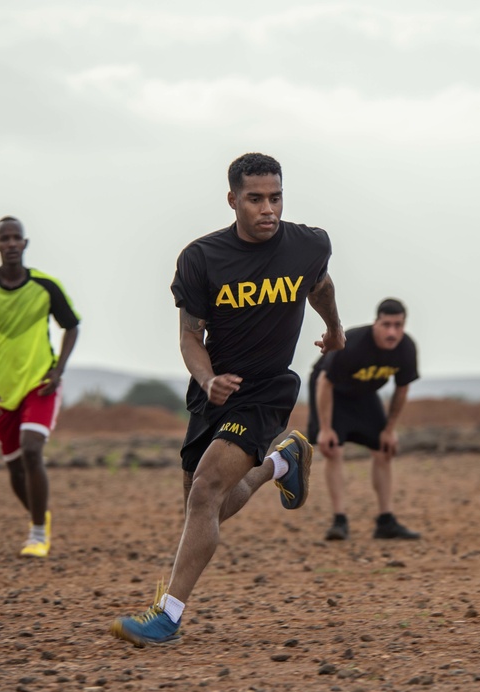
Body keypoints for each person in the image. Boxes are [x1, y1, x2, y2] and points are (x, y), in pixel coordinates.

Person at [110, 152, 345, 647]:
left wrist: (334, 328)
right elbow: (190, 336)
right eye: (255, 199)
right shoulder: (201, 258)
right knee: (205, 504)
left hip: (267, 390)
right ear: (233, 199)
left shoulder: (308, 244)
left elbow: (318, 284)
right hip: (215, 390)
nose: (268, 209)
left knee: (205, 492)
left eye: (275, 198)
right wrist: (207, 376)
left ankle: (167, 616)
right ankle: (281, 465)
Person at [0, 216, 80, 558]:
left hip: (40, 385)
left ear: (24, 244)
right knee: (14, 467)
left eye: (16, 238)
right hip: (1, 392)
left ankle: (38, 533)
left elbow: (72, 326)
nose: (10, 243)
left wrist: (58, 370)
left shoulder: (46, 286)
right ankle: (41, 514)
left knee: (32, 449)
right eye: (4, 239)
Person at [309, 298, 421, 541]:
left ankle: (386, 521)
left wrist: (390, 430)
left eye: (398, 325)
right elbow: (324, 382)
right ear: (376, 323)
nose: (392, 332)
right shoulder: (354, 343)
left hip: (363, 393)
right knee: (334, 449)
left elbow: (402, 390)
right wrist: (326, 429)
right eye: (387, 324)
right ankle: (339, 521)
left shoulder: (406, 349)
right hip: (331, 391)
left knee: (384, 450)